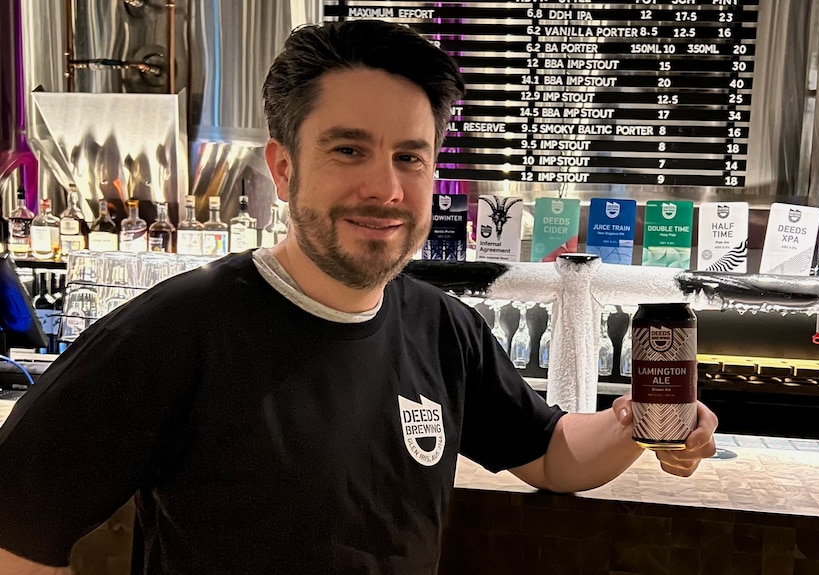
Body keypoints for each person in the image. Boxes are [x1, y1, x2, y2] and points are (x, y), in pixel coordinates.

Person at [0, 19, 718, 575]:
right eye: (348, 150)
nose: (386, 188)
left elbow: (553, 453)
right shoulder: (180, 328)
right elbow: (15, 520)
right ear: (283, 168)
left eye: (410, 156)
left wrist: (640, 420)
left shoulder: (442, 328)